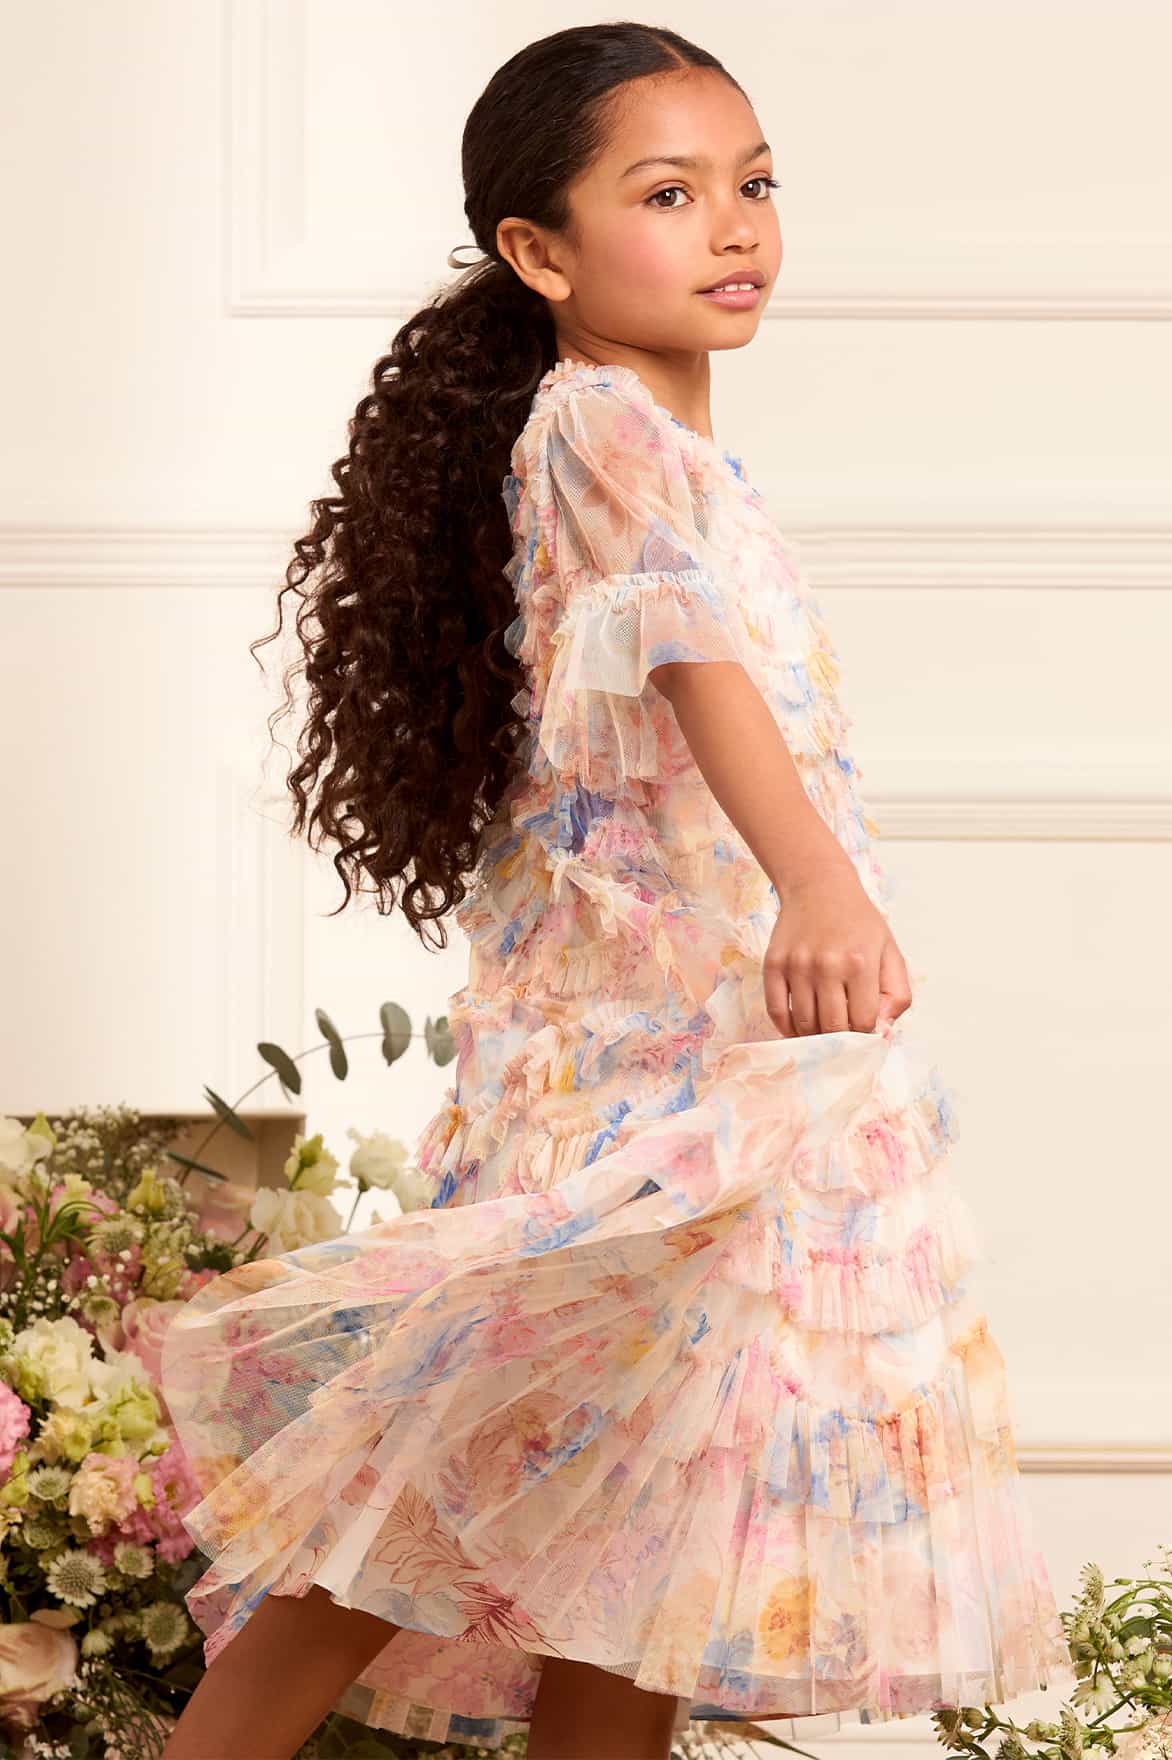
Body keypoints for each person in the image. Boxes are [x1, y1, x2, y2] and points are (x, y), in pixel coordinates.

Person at [158, 22, 1076, 1760]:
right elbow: (692, 650)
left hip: (722, 1054)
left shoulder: (664, 441)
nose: (734, 225)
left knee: (642, 1517)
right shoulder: (595, 425)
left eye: (754, 183)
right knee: (430, 1488)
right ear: (540, 251)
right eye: (668, 194)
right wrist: (818, 885)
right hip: (644, 1075)